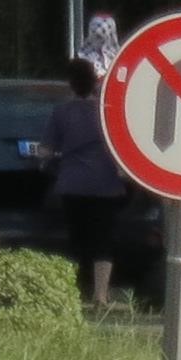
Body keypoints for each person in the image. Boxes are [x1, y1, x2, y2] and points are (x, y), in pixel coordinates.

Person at [45, 57, 132, 308]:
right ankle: (101, 295)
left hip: (72, 185)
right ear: (94, 81)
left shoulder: (61, 112)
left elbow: (46, 150)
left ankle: (76, 292)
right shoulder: (108, 110)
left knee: (78, 239)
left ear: (70, 84)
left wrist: (47, 156)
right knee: (103, 238)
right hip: (106, 185)